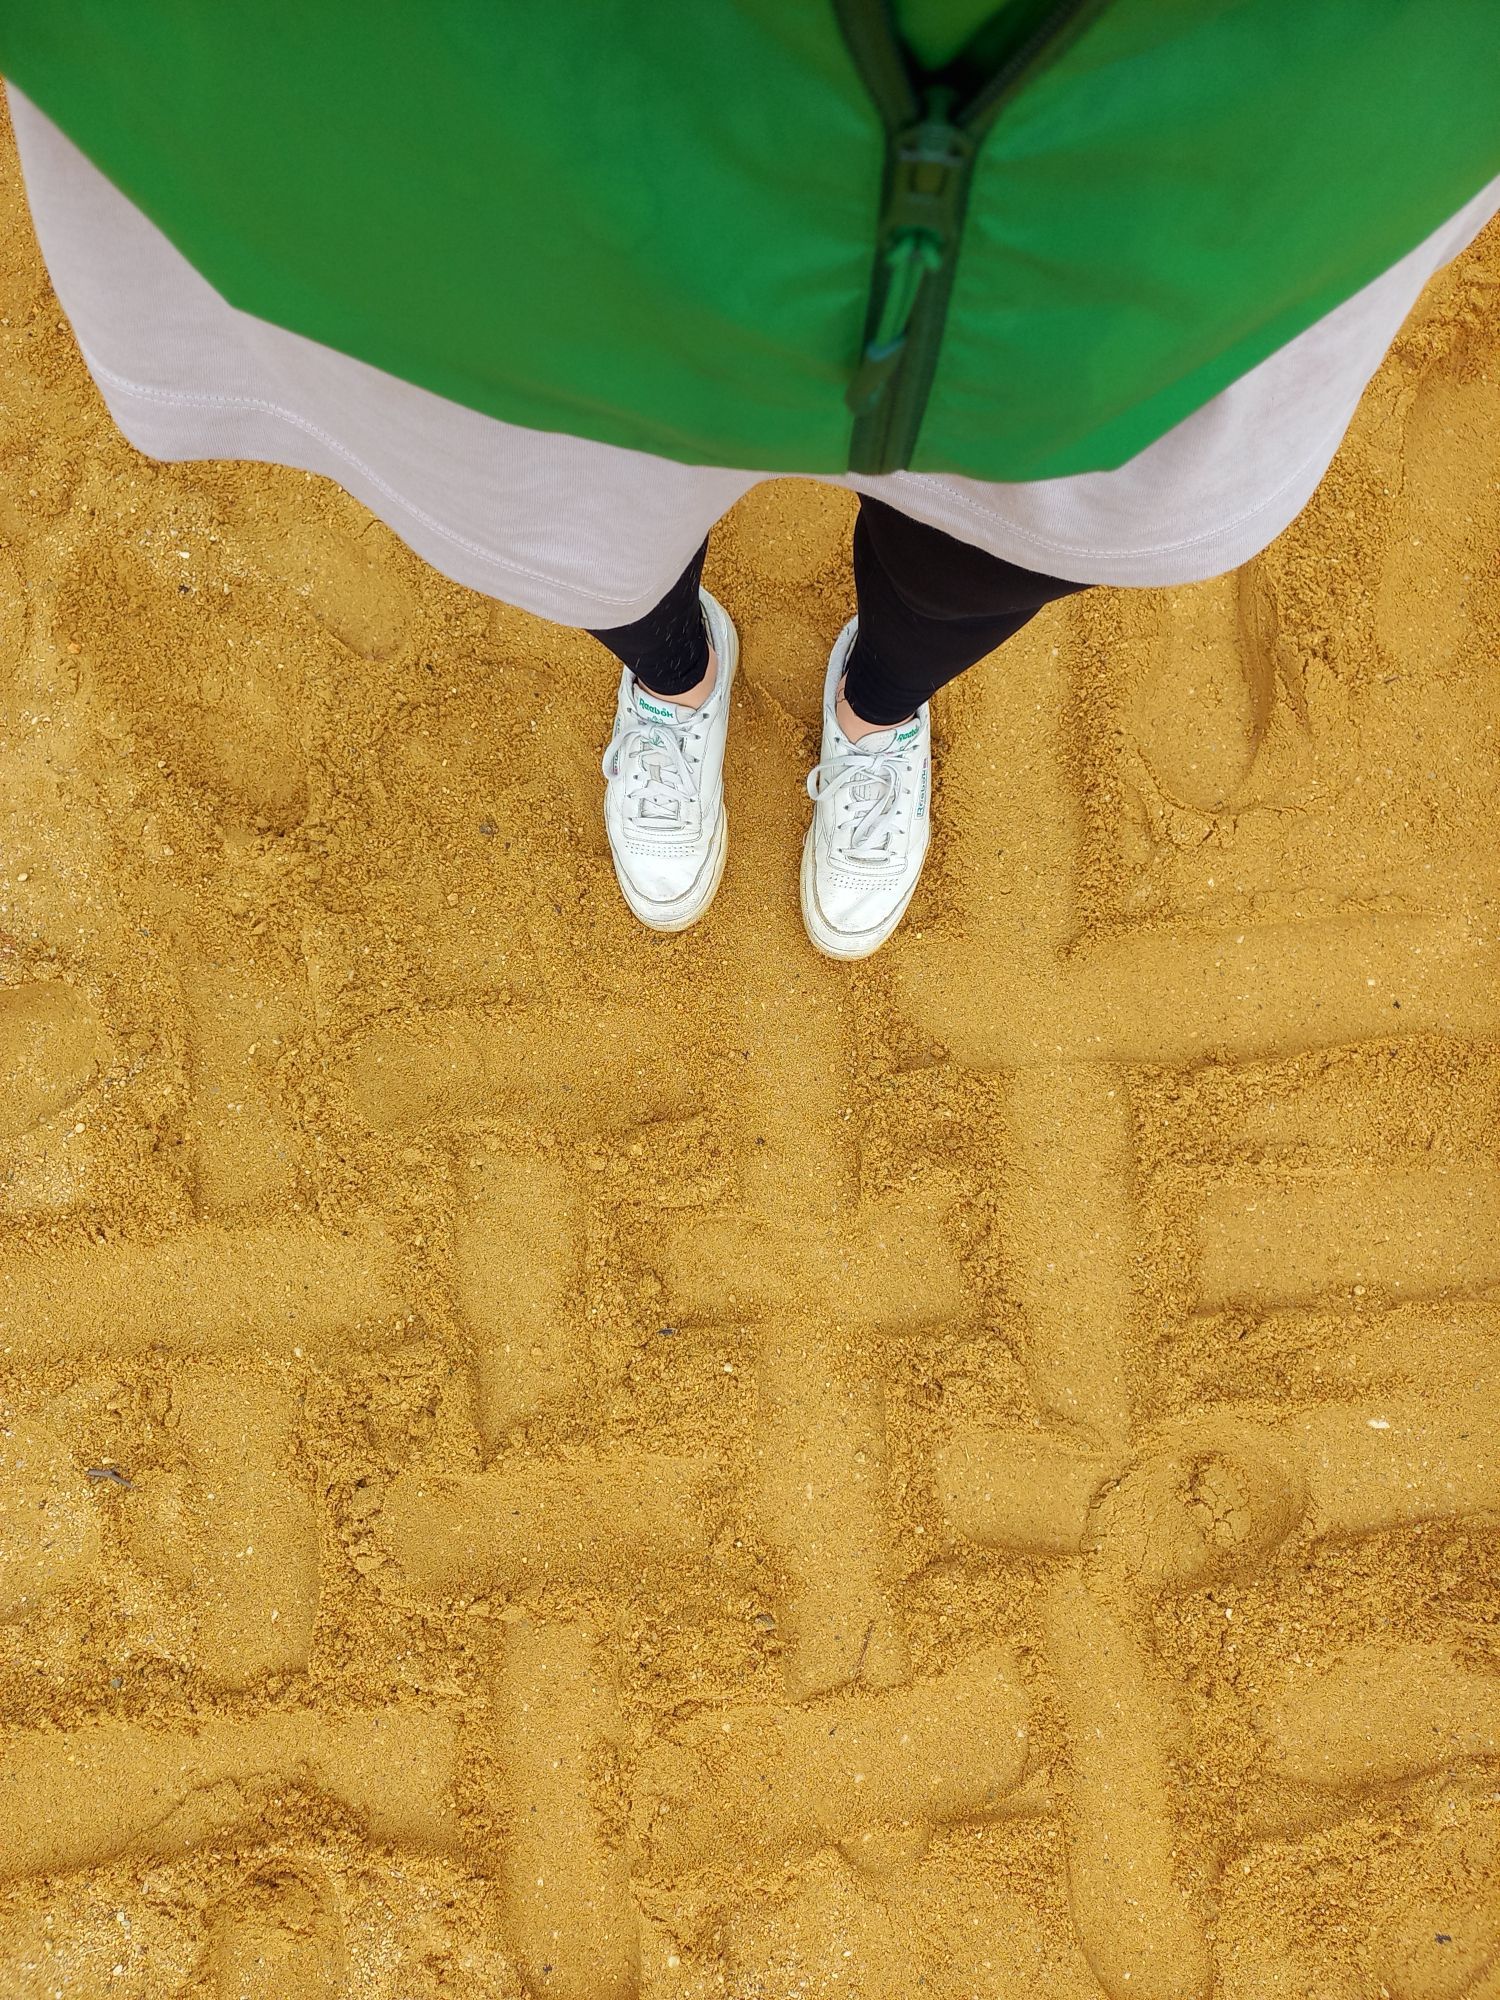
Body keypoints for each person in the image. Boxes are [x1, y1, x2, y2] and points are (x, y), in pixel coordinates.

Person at [4, 7, 1498, 958]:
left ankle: (877, 700)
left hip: (1157, 233)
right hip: (534, 201)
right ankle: (675, 677)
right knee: (570, 515)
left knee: (1021, 519)